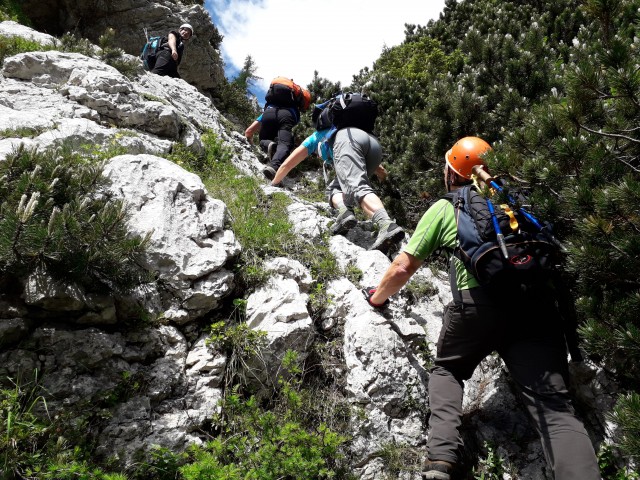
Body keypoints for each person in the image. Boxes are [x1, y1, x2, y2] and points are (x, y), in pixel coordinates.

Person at [365, 137, 601, 480]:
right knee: (555, 410)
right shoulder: (519, 203)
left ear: (451, 172)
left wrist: (377, 298)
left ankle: (441, 460)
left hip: (478, 309)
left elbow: (402, 267)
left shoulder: (448, 207)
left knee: (448, 370)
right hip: (536, 310)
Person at [269, 121, 405, 253]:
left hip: (347, 141)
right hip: (373, 144)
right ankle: (345, 214)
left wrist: (274, 183)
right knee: (334, 188)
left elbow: (288, 164)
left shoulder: (316, 137)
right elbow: (380, 169)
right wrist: (388, 185)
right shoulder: (349, 128)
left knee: (357, 187)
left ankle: (386, 224)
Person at [245, 99, 300, 180]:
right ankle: (273, 167)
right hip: (287, 116)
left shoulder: (270, 108)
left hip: (269, 114)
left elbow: (249, 131)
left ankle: (269, 144)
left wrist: (250, 144)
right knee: (284, 144)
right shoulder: (292, 110)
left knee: (263, 140)